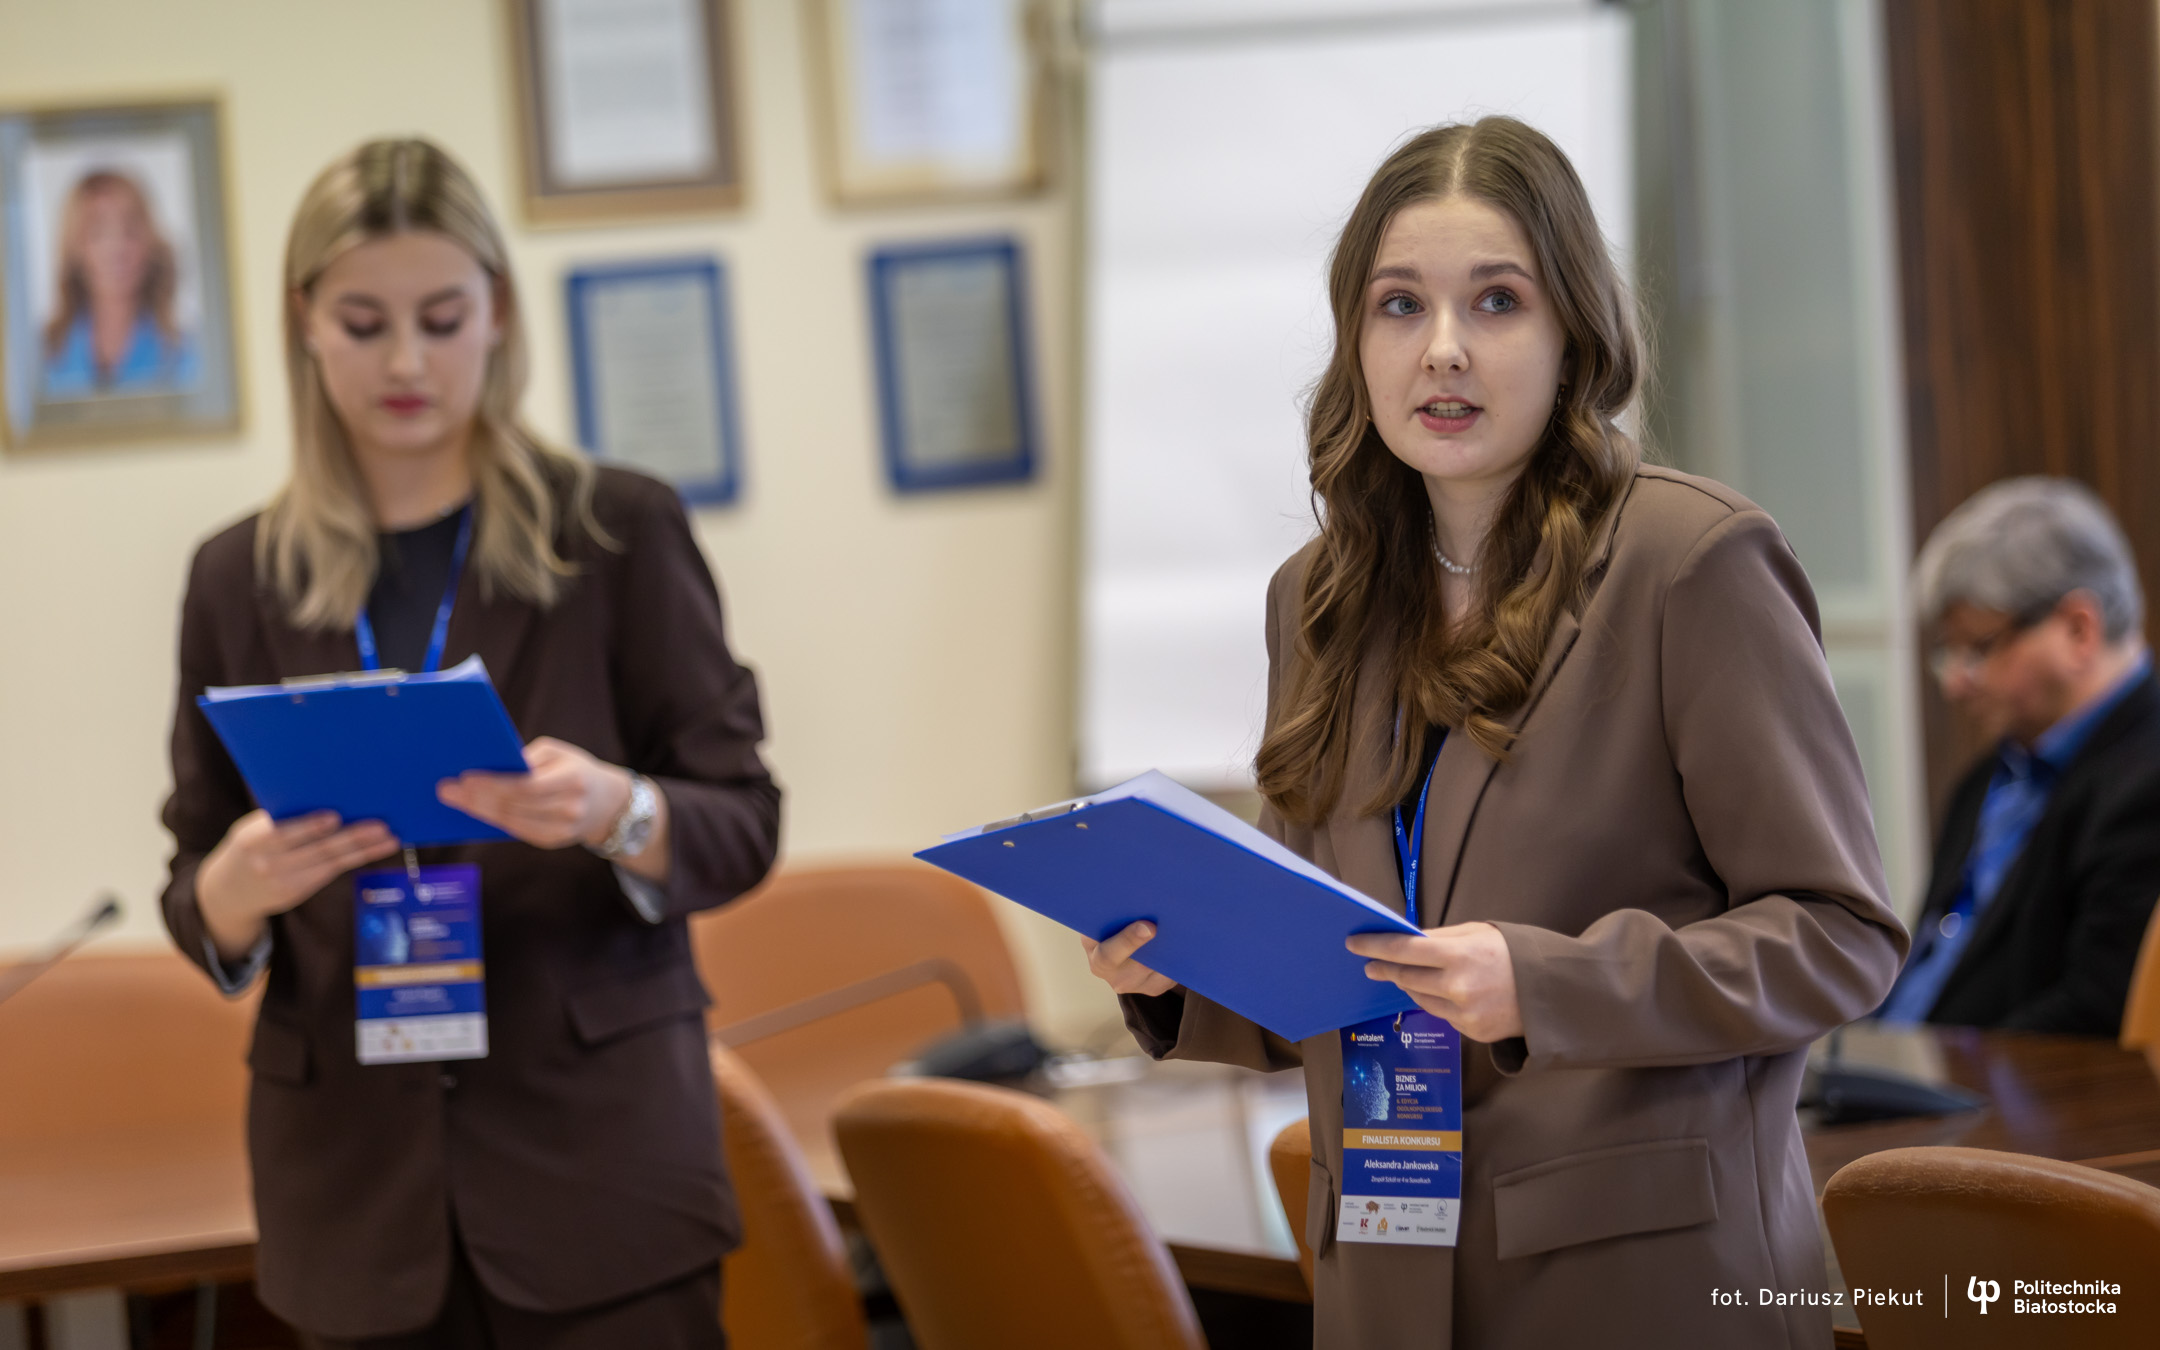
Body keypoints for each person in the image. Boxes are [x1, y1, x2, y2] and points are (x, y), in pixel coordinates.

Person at [1083, 118, 1906, 1349]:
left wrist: (1545, 984)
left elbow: (1840, 938)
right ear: (1357, 342)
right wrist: (1172, 972)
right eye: (1399, 306)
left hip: (1640, 1284)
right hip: (1384, 1271)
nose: (1444, 350)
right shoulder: (1317, 601)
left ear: (1575, 333)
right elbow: (1332, 963)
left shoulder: (1689, 563)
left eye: (1498, 302)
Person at [159, 139, 779, 1349]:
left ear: (496, 310)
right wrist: (231, 896)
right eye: (364, 323)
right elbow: (195, 875)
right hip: (353, 1201)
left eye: (441, 319)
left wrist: (617, 811)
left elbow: (744, 820)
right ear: (304, 321)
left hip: (600, 1179)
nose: (407, 361)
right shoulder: (236, 576)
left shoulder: (618, 531)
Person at [1879, 478, 2160, 1033]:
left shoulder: (2148, 781)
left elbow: (2097, 1019)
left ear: (2079, 629)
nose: (1954, 683)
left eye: (1979, 648)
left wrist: (1920, 1069)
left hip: (1992, 1086)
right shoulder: (1986, 779)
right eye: (1948, 652)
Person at [41, 168, 201, 396]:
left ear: (150, 245)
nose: (117, 249)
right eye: (97, 232)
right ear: (76, 249)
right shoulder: (41, 354)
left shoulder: (186, 353)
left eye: (130, 230)